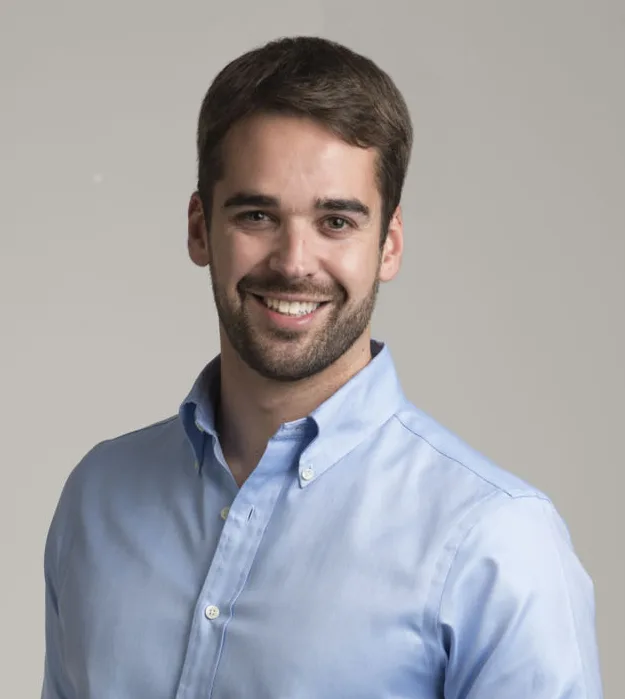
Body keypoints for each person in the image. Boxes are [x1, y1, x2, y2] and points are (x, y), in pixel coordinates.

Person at [41, 36, 603, 699]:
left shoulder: (496, 543)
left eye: (335, 221)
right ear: (199, 229)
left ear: (387, 245)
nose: (293, 261)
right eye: (256, 214)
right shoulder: (98, 497)